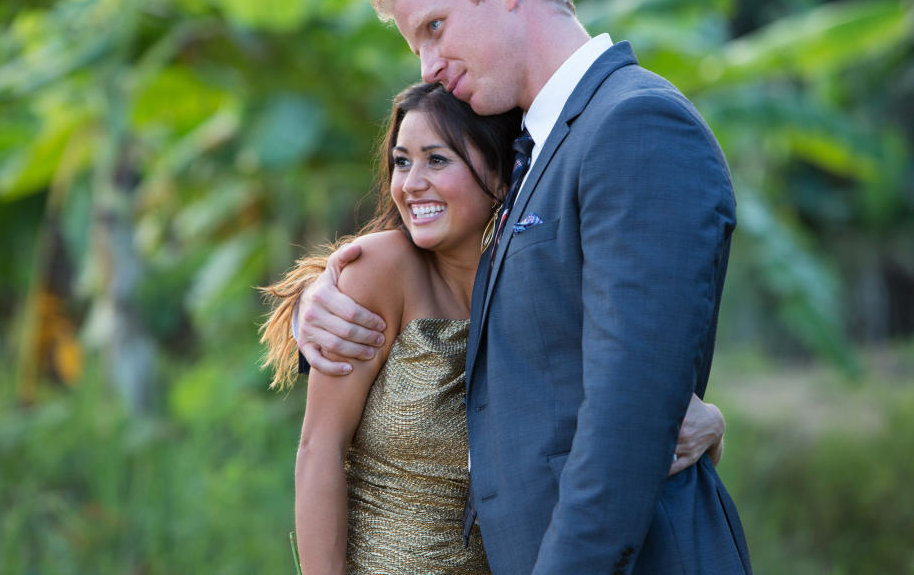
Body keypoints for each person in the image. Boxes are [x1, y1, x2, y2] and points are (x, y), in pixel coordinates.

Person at [293, 0, 753, 573]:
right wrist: (318, 295)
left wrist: (700, 416)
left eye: (435, 26)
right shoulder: (536, 151)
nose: (427, 66)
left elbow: (626, 421)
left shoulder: (635, 124)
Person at [262, 82, 727, 574]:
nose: (412, 182)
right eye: (402, 161)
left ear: (502, 178)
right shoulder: (379, 271)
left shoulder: (543, 294)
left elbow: (611, 426)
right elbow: (318, 450)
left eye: (437, 160)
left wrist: (710, 425)